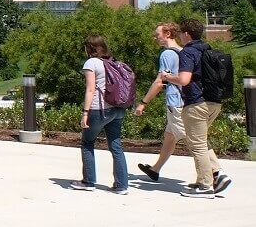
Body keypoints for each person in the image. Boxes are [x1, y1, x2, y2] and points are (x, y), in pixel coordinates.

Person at [163, 18, 233, 198]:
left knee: (197, 144)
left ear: (186, 34)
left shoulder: (188, 52)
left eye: (181, 33)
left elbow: (184, 80)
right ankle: (215, 175)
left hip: (196, 103)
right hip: (214, 102)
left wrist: (168, 77)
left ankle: (205, 185)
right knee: (200, 141)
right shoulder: (206, 49)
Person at [70, 35, 128, 194]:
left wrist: (85, 113)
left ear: (89, 48)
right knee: (116, 146)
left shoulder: (91, 62)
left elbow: (90, 89)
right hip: (118, 109)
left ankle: (88, 181)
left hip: (99, 109)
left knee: (87, 142)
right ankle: (122, 185)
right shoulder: (114, 62)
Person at [133, 22, 184, 181]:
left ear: (167, 34)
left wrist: (143, 102)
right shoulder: (183, 52)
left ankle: (216, 172)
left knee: (193, 139)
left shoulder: (167, 54)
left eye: (157, 34)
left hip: (176, 101)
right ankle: (155, 169)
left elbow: (159, 82)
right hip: (186, 99)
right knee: (170, 135)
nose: (155, 38)